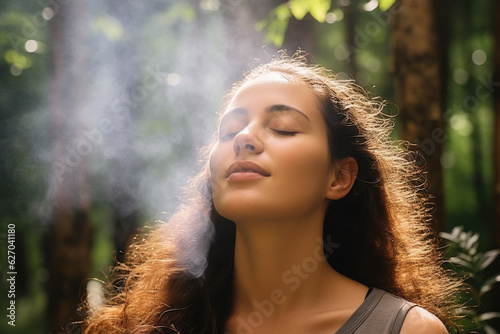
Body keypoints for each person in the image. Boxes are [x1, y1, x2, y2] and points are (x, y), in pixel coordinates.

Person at [82, 53, 459, 334]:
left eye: (282, 128)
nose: (244, 138)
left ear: (339, 176)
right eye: (229, 131)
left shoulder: (405, 330)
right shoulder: (152, 325)